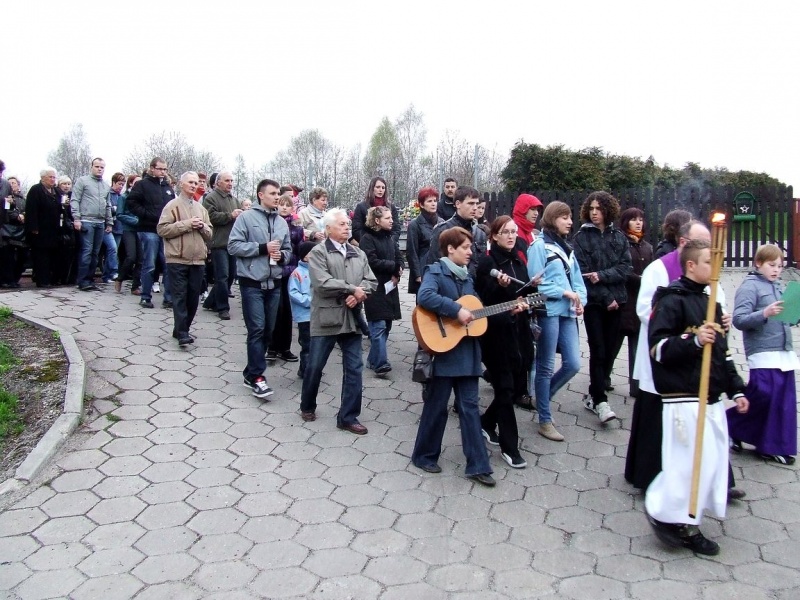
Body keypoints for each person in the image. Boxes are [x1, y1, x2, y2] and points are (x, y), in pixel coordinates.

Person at [645, 239, 749, 556]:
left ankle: (682, 513)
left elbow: (722, 354)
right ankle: (676, 519)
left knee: (712, 462)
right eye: (708, 261)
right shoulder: (671, 301)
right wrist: (693, 340)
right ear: (691, 265)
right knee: (688, 465)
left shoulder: (711, 303)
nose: (715, 267)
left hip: (711, 397)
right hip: (684, 398)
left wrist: (736, 388)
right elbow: (658, 349)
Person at [411, 227, 496, 486]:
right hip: (445, 350)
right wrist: (456, 310)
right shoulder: (436, 271)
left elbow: (477, 310)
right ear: (450, 249)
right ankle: (424, 455)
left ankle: (478, 465)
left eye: (471, 247)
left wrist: (510, 309)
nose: (471, 252)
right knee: (437, 406)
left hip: (468, 352)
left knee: (470, 408)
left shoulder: (467, 277)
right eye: (465, 248)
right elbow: (425, 296)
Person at [299, 208, 377, 430]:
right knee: (315, 366)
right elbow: (321, 282)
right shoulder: (318, 252)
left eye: (348, 224)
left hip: (352, 318)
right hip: (327, 318)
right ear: (328, 228)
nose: (347, 228)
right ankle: (307, 405)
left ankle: (348, 417)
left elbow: (371, 281)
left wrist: (360, 293)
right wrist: (352, 289)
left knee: (354, 368)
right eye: (342, 224)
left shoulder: (357, 253)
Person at [728, 244, 798, 464]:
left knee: (782, 401)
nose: (776, 270)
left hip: (783, 351)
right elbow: (739, 320)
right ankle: (731, 425)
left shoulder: (777, 285)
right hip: (761, 350)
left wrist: (794, 316)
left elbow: (784, 318)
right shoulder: (750, 286)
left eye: (779, 266)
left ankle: (772, 445)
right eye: (771, 265)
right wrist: (764, 313)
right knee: (763, 396)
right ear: (758, 263)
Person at [475, 216, 535, 469]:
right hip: (495, 333)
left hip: (519, 331)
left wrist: (532, 292)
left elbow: (525, 294)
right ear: (495, 236)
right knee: (505, 387)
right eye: (506, 232)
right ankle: (510, 448)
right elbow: (483, 299)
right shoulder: (488, 262)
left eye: (513, 231)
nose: (511, 236)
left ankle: (486, 422)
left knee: (516, 385)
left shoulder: (519, 259)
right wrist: (500, 288)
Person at [527, 201, 587, 442]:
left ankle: (541, 397)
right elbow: (535, 283)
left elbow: (578, 280)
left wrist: (581, 299)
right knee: (545, 365)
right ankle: (544, 419)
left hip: (569, 313)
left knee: (573, 364)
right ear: (553, 219)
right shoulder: (539, 246)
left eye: (570, 217)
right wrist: (565, 293)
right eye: (564, 217)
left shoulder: (567, 247)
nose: (570, 222)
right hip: (549, 311)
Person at [228, 178, 292, 399]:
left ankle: (250, 372)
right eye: (273, 193)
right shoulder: (246, 218)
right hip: (252, 283)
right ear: (260, 195)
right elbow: (233, 246)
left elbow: (288, 250)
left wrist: (282, 256)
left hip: (274, 283)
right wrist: (261, 248)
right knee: (256, 329)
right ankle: (257, 377)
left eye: (278, 193)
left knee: (267, 330)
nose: (277, 197)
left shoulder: (281, 222)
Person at [572, 191, 632, 423]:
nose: (594, 213)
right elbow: (584, 275)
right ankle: (600, 400)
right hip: (595, 304)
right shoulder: (581, 238)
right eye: (591, 208)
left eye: (599, 208)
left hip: (618, 302)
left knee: (610, 350)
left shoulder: (619, 237)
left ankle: (594, 392)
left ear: (608, 210)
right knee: (597, 349)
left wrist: (603, 275)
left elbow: (625, 267)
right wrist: (607, 297)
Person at [156, 172, 212, 347]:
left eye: (196, 183)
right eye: (190, 182)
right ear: (181, 184)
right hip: (177, 259)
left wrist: (202, 226)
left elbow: (210, 234)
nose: (194, 185)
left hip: (198, 260)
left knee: (193, 299)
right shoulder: (172, 206)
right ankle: (182, 333)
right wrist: (187, 224)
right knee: (179, 296)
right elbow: (162, 229)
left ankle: (181, 329)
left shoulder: (201, 209)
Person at [611, 208, 654, 397]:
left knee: (637, 346)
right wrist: (640, 279)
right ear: (625, 222)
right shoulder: (620, 243)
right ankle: (603, 379)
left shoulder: (647, 247)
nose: (638, 223)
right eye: (633, 219)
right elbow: (621, 270)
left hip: (640, 302)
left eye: (640, 219)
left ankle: (636, 386)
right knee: (614, 345)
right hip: (623, 301)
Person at [126, 157, 175, 309]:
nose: (163, 172)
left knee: (168, 264)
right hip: (148, 229)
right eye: (160, 169)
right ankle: (145, 297)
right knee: (149, 264)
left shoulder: (167, 187)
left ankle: (168, 298)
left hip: (165, 230)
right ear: (152, 168)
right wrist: (147, 214)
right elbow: (132, 203)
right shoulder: (142, 185)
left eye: (165, 169)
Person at [360, 206, 403, 375]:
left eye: (391, 217)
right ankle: (381, 363)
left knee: (387, 325)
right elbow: (371, 261)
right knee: (378, 325)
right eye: (387, 218)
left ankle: (372, 360)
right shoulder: (367, 238)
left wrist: (398, 271)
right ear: (377, 220)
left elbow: (398, 256)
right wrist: (394, 266)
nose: (392, 221)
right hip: (374, 287)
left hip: (390, 287)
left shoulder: (389, 237)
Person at [267, 195, 303, 363]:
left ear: (292, 208)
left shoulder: (297, 228)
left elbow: (298, 251)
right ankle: (272, 347)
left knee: (287, 311)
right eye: (281, 204)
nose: (284, 208)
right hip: (273, 271)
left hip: (290, 272)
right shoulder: (272, 224)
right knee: (275, 309)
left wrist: (296, 269)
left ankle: (285, 348)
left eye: (288, 205)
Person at [202, 171, 242, 321]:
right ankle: (223, 307)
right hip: (218, 243)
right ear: (218, 182)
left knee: (230, 275)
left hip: (232, 243)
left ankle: (211, 301)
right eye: (227, 180)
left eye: (231, 180)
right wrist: (230, 215)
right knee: (222, 276)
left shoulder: (234, 199)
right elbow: (209, 217)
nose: (230, 183)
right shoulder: (211, 198)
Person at [424, 186, 486, 277]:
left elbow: (484, 266)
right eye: (471, 203)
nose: (475, 208)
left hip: (475, 284)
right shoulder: (443, 230)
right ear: (458, 204)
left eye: (477, 204)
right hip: (450, 282)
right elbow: (433, 265)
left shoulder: (480, 233)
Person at [71, 158, 113, 291]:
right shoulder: (82, 181)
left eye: (102, 167)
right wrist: (76, 218)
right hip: (86, 221)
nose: (99, 169)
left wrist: (109, 222)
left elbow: (108, 205)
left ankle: (90, 279)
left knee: (95, 253)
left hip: (100, 222)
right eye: (97, 166)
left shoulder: (106, 186)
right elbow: (75, 200)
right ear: (91, 167)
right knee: (86, 251)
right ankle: (82, 280)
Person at [24, 168, 62, 288]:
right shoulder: (36, 190)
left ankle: (51, 278)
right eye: (50, 177)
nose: (53, 179)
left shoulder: (56, 191)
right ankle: (42, 280)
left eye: (54, 177)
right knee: (41, 256)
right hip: (40, 229)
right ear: (43, 178)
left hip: (53, 230)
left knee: (52, 255)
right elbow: (31, 210)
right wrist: (33, 227)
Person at [406, 187, 443, 295]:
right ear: (421, 205)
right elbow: (412, 252)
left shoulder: (442, 223)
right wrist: (417, 275)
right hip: (423, 267)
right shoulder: (415, 224)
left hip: (439, 267)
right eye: (429, 201)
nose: (433, 204)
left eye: (435, 201)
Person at [289, 242, 315, 378]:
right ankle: (306, 371)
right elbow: (293, 293)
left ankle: (308, 368)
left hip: (317, 314)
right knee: (307, 344)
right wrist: (309, 301)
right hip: (304, 315)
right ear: (305, 256)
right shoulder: (297, 273)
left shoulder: (318, 270)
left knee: (315, 344)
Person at [351, 176, 401, 245]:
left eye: (383, 188)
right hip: (368, 245)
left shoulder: (391, 207)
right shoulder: (362, 207)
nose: (381, 190)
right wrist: (368, 242)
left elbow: (396, 229)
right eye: (378, 187)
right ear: (372, 188)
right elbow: (357, 230)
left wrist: (390, 242)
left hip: (388, 244)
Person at [115, 175, 142, 294]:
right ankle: (120, 278)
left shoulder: (143, 198)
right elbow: (119, 215)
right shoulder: (124, 197)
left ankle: (135, 286)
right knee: (131, 256)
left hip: (140, 229)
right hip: (128, 229)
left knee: (141, 259)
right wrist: (135, 221)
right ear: (131, 183)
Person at [0, 176, 27, 288]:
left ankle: (14, 279)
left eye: (13, 183)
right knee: (8, 257)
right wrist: (16, 216)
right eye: (9, 183)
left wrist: (24, 215)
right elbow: (6, 211)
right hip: (7, 229)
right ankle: (7, 280)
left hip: (20, 230)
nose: (11, 185)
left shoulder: (23, 199)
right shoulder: (7, 196)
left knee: (20, 257)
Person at [102, 172, 125, 284]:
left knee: (112, 252)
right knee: (112, 248)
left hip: (119, 228)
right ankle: (114, 271)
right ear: (113, 182)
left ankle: (106, 276)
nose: (121, 186)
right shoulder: (108, 194)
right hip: (108, 227)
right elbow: (107, 209)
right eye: (119, 184)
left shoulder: (121, 197)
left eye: (122, 184)